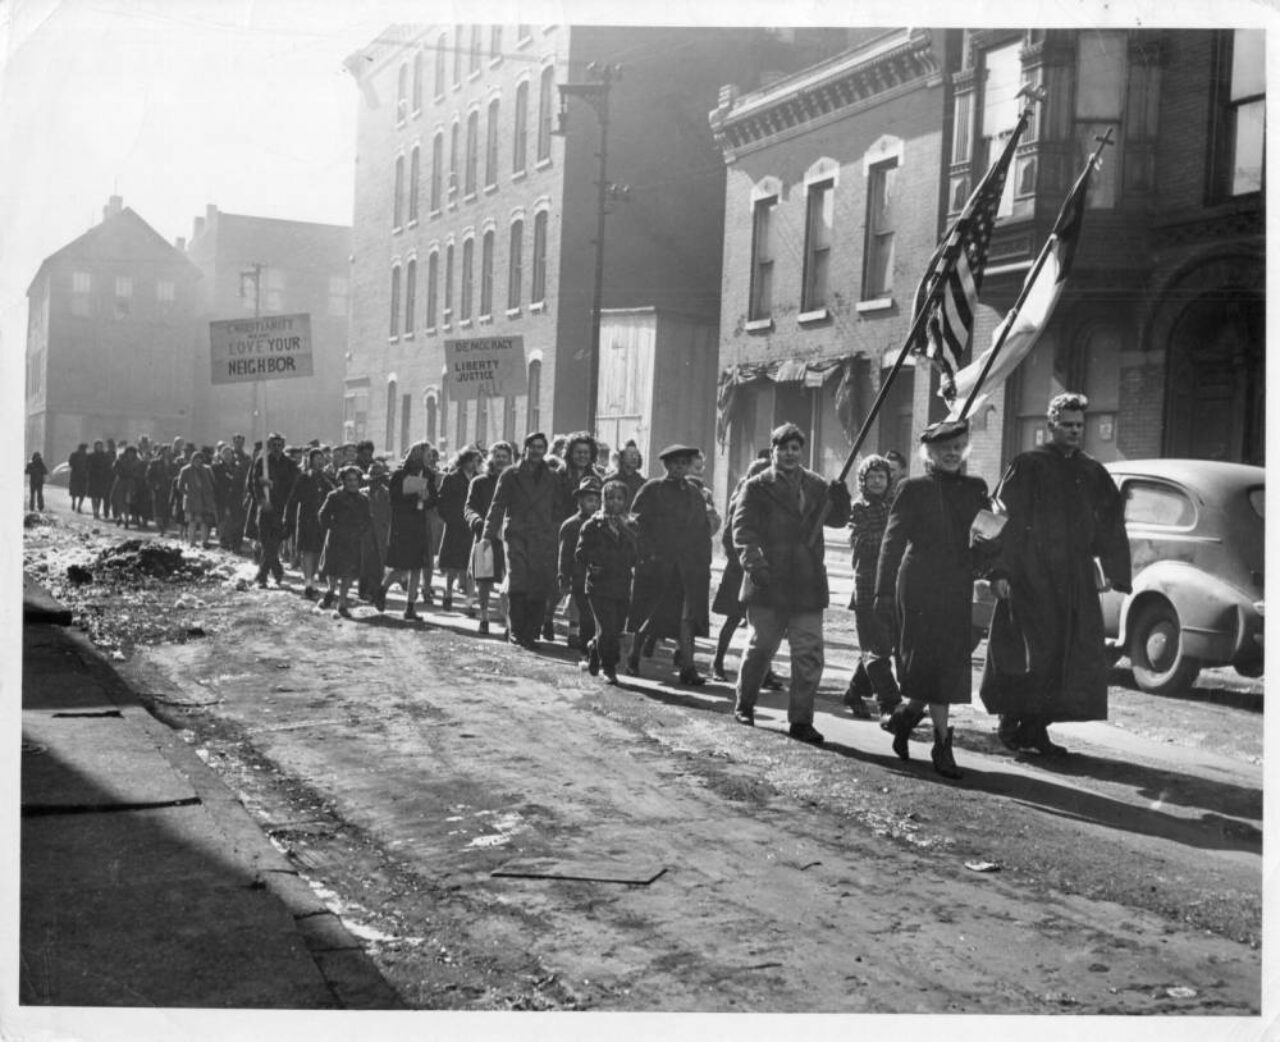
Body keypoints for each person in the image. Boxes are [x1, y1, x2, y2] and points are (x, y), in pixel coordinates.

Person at [979, 392, 1131, 755]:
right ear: (1051, 425)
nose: (1074, 431)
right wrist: (998, 570)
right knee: (1032, 651)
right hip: (1030, 574)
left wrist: (1113, 569)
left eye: (1079, 425)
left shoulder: (1091, 471)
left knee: (1069, 654)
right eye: (1066, 424)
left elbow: (1110, 522)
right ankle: (1011, 723)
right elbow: (1001, 517)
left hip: (1073, 578)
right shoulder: (1028, 465)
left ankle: (1037, 728)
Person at [876, 419, 992, 778]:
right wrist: (882, 591)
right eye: (944, 450)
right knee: (933, 663)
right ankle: (942, 744)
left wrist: (990, 562)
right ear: (930, 454)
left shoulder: (976, 488)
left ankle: (904, 718)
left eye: (957, 448)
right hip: (919, 586)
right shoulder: (913, 489)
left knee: (945, 663)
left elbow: (989, 538)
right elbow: (892, 542)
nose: (952, 454)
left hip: (956, 585)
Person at [731, 423, 852, 743]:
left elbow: (837, 520)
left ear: (802, 451)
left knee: (808, 655)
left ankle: (801, 720)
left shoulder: (816, 485)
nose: (789, 454)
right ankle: (745, 703)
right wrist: (755, 564)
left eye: (795, 448)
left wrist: (841, 498)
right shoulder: (756, 487)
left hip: (806, 583)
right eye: (782, 448)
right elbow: (742, 530)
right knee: (760, 649)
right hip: (768, 581)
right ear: (773, 451)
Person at [626, 444, 714, 685]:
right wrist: (647, 554)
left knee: (686, 617)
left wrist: (702, 562)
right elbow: (635, 524)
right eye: (675, 463)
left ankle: (688, 667)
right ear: (666, 465)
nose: (680, 467)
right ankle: (633, 656)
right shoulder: (652, 489)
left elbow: (702, 529)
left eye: (684, 463)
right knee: (648, 612)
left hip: (686, 568)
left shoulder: (694, 493)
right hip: (657, 565)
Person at [481, 431, 566, 649]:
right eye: (532, 447)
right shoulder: (511, 474)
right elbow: (497, 506)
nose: (536, 451)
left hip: (542, 537)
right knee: (518, 581)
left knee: (539, 583)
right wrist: (487, 535)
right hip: (517, 534)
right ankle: (516, 631)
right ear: (525, 449)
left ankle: (531, 632)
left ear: (545, 450)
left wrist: (555, 533)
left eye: (540, 447)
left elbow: (558, 509)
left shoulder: (553, 477)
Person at [843, 454, 902, 722]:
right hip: (866, 587)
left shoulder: (894, 506)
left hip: (891, 587)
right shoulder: (858, 508)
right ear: (863, 480)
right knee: (877, 649)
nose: (877, 481)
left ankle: (854, 692)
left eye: (882, 476)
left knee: (879, 645)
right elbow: (860, 543)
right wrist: (893, 539)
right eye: (872, 477)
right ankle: (889, 703)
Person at [575, 478, 639, 684]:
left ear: (625, 501)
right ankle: (609, 667)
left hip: (621, 584)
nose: (615, 502)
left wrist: (625, 530)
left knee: (616, 629)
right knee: (607, 627)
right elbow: (581, 552)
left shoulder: (631, 525)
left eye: (619, 498)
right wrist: (594, 562)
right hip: (599, 585)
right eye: (610, 498)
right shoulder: (593, 524)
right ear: (603, 500)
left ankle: (595, 646)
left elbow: (636, 554)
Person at [379, 441, 439, 620]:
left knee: (417, 566)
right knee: (402, 566)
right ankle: (382, 589)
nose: (430, 458)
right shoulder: (400, 474)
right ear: (418, 455)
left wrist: (426, 499)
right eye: (428, 455)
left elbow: (434, 499)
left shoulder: (429, 474)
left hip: (420, 522)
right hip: (403, 523)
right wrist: (413, 495)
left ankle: (410, 606)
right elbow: (393, 498)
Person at [465, 440, 513, 636]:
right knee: (483, 579)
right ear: (491, 458)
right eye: (497, 456)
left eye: (505, 457)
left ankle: (509, 622)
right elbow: (469, 508)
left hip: (508, 537)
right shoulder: (479, 482)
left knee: (509, 580)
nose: (501, 460)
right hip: (485, 535)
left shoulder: (515, 481)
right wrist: (476, 521)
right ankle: (484, 617)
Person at [318, 465, 374, 617]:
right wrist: (333, 528)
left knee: (348, 573)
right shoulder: (334, 496)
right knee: (332, 569)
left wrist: (360, 531)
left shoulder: (363, 499)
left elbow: (368, 519)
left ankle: (342, 603)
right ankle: (331, 591)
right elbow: (322, 515)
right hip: (335, 539)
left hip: (353, 540)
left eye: (355, 480)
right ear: (343, 481)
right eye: (349, 480)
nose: (353, 483)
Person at [558, 477, 602, 669]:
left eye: (597, 500)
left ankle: (596, 650)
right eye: (589, 500)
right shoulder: (571, 525)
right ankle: (586, 652)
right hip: (579, 578)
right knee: (586, 617)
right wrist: (563, 577)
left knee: (597, 617)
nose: (594, 504)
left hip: (598, 579)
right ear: (580, 501)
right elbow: (564, 554)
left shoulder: (601, 524)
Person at [246, 432, 300, 588]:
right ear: (269, 446)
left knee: (274, 543)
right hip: (265, 508)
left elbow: (292, 485)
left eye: (279, 445)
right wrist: (261, 500)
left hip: (281, 509)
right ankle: (276, 570)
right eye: (273, 445)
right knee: (265, 542)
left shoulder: (289, 464)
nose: (276, 448)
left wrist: (272, 484)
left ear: (283, 446)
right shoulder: (262, 462)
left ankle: (262, 576)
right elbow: (253, 484)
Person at [436, 446, 483, 612]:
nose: (474, 464)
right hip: (455, 526)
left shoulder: (479, 479)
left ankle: (469, 602)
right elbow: (441, 501)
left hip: (471, 527)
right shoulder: (451, 478)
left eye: (477, 461)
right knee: (452, 565)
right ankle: (448, 593)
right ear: (464, 461)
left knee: (470, 566)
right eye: (471, 461)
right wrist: (449, 519)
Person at [285, 448, 335, 600]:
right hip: (306, 519)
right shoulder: (304, 478)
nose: (320, 462)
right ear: (310, 460)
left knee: (317, 552)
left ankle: (312, 581)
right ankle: (308, 584)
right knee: (307, 551)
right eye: (317, 459)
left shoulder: (326, 479)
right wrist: (288, 518)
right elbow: (293, 499)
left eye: (322, 459)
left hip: (321, 521)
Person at [177, 449, 218, 548]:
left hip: (205, 500)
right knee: (192, 522)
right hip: (191, 501)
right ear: (192, 459)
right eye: (196, 459)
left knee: (205, 522)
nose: (198, 461)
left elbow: (213, 483)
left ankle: (204, 541)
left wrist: (210, 496)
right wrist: (188, 494)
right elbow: (180, 486)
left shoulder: (207, 469)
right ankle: (192, 542)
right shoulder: (185, 470)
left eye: (200, 459)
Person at [603, 440, 646, 510]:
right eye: (630, 454)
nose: (634, 457)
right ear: (622, 457)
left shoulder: (642, 483)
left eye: (636, 454)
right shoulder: (609, 481)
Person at [146, 446, 175, 536]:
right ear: (161, 452)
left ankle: (165, 527)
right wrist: (155, 485)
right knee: (158, 509)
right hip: (158, 490)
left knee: (167, 509)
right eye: (166, 451)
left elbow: (175, 474)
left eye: (169, 451)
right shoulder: (155, 463)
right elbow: (149, 476)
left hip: (169, 489)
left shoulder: (172, 463)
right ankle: (161, 528)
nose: (168, 453)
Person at [88, 440, 113, 520]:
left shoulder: (105, 456)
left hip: (101, 478)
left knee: (99, 496)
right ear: (95, 447)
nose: (99, 448)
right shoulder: (91, 456)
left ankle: (97, 511)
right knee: (93, 496)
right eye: (97, 446)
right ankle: (94, 511)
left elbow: (108, 466)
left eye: (100, 446)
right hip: (93, 478)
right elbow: (87, 466)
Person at [68, 444, 90, 513]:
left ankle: (76, 504)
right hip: (80, 476)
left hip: (78, 476)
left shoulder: (84, 456)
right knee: (80, 492)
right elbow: (70, 463)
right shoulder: (83, 456)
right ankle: (77, 505)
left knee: (78, 492)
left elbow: (70, 463)